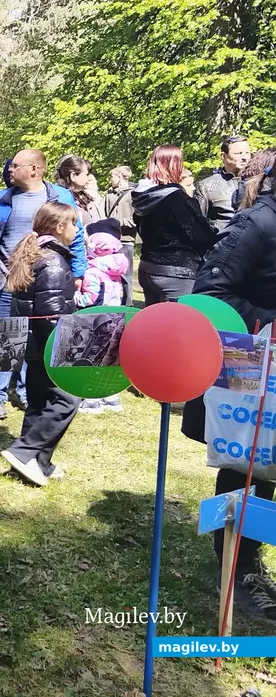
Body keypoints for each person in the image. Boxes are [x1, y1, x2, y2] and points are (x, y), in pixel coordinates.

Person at [183, 147, 276, 621]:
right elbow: (210, 293)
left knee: (269, 474)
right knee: (248, 472)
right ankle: (240, 574)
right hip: (252, 373)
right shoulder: (256, 224)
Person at [0, 149, 86, 420]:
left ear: (34, 169)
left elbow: (78, 236)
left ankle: (26, 393)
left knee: (35, 339)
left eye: (15, 166)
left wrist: (79, 272)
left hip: (45, 280)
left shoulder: (60, 198)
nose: (9, 170)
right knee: (1, 337)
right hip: (6, 281)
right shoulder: (0, 199)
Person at [0, 201, 81, 487]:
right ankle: (23, 452)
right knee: (68, 399)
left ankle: (38, 462)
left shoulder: (36, 254)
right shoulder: (54, 261)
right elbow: (52, 317)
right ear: (59, 227)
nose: (76, 229)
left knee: (38, 402)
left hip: (32, 346)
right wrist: (64, 353)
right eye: (73, 223)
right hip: (49, 346)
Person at [132, 144, 216, 305]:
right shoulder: (177, 199)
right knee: (176, 326)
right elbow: (202, 236)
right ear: (175, 165)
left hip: (148, 267)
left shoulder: (143, 197)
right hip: (176, 272)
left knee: (154, 324)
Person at [74, 218, 127, 413]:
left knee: (92, 357)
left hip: (96, 319)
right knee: (110, 358)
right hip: (115, 317)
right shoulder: (116, 269)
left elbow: (90, 298)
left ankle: (91, 399)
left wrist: (76, 297)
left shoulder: (93, 271)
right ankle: (111, 397)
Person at [196, 135, 252, 232]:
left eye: (247, 153)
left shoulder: (258, 182)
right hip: (220, 242)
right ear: (223, 156)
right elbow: (197, 223)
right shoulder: (206, 186)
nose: (244, 157)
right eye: (239, 153)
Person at [104, 166, 136, 306]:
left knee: (126, 275)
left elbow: (135, 219)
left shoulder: (133, 195)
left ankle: (128, 304)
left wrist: (117, 222)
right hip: (109, 239)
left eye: (112, 176)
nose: (110, 180)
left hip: (125, 240)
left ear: (121, 177)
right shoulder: (109, 194)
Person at [54, 154, 104, 224]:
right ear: (73, 176)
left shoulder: (90, 196)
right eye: (86, 174)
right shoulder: (57, 198)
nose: (89, 178)